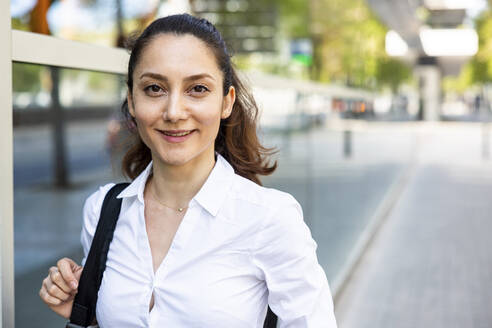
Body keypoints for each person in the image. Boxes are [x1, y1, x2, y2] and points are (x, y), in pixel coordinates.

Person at [39, 14, 337, 327]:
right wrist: (87, 308)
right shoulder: (102, 210)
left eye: (197, 89)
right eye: (154, 88)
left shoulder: (270, 218)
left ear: (226, 102)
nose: (174, 112)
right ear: (131, 100)